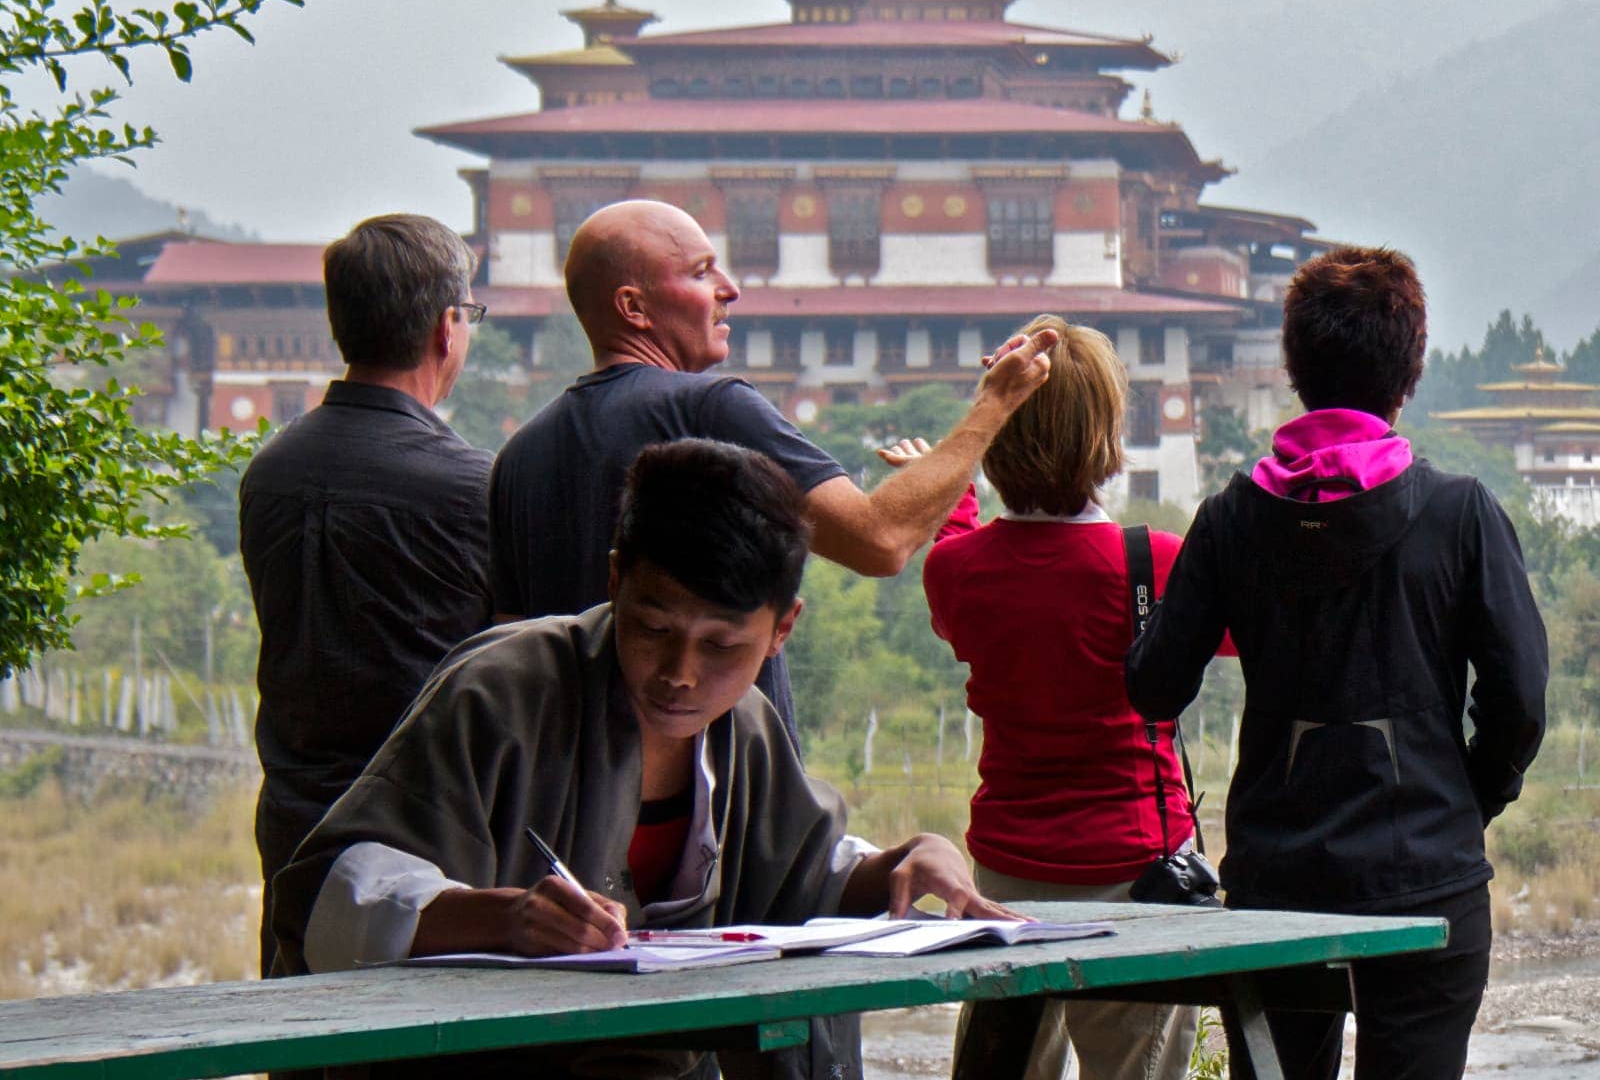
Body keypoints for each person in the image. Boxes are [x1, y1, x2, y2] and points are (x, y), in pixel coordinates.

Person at [272, 439, 1013, 1080]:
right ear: (614, 579)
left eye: (723, 646)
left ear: (783, 627)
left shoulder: (744, 727)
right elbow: (327, 900)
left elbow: (798, 878)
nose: (680, 672)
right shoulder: (503, 690)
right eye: (652, 626)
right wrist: (501, 919)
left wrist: (909, 860)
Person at [1126, 246, 1548, 1080]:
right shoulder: (1459, 514)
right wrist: (1469, 798)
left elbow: (1155, 686)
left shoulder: (1230, 518)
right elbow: (1521, 701)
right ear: (1410, 372)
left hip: (1276, 878)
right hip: (1427, 874)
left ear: (1294, 367)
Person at [488, 198, 1056, 741]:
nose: (729, 289)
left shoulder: (519, 456)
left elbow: (508, 642)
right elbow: (880, 541)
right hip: (717, 788)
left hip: (567, 789)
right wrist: (993, 406)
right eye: (701, 272)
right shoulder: (707, 408)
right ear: (633, 308)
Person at [912, 314, 1201, 1080]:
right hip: (1138, 869)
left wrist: (953, 494)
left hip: (1006, 876)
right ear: (1107, 436)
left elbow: (959, 554)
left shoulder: (956, 571)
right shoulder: (1155, 564)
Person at [240, 213, 494, 975]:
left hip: (295, 827)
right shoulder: (472, 488)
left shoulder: (270, 472)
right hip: (423, 844)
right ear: (448, 328)